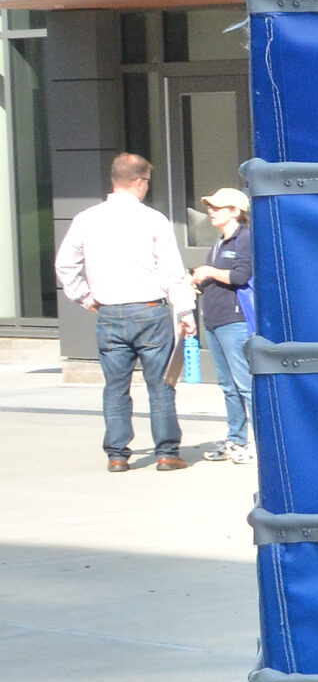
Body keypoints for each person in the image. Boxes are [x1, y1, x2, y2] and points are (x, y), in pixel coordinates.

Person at [56, 153, 196, 472]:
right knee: (160, 384)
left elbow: (64, 265)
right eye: (146, 181)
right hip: (150, 312)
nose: (147, 187)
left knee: (115, 387)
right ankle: (166, 453)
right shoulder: (153, 219)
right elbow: (172, 271)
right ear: (137, 182)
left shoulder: (86, 218)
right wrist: (185, 311)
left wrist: (86, 298)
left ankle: (117, 455)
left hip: (109, 313)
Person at [190, 187, 256, 465]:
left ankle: (262, 444)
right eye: (210, 207)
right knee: (228, 387)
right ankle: (236, 438)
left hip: (235, 321)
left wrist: (207, 272)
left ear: (235, 211)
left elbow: (241, 275)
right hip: (214, 321)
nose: (211, 211)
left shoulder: (245, 239)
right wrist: (197, 281)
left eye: (218, 207)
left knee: (245, 385)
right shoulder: (218, 243)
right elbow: (216, 278)